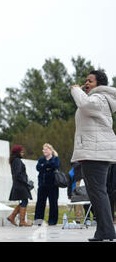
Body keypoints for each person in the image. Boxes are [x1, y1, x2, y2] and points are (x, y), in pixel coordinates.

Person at [70, 70, 116, 242]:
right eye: (85, 81)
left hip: (96, 153)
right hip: (93, 152)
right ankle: (104, 231)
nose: (86, 83)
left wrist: (76, 89)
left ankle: (107, 231)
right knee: (96, 192)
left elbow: (84, 104)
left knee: (98, 192)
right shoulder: (98, 98)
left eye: (90, 81)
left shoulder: (99, 98)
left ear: (99, 84)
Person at [34, 143, 60, 226]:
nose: (44, 151)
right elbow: (38, 168)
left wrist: (44, 166)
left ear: (50, 150)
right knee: (40, 203)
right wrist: (47, 166)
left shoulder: (55, 159)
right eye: (43, 149)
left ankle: (52, 221)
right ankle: (38, 221)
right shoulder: (41, 159)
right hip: (42, 184)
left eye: (46, 149)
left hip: (53, 185)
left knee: (53, 203)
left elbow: (55, 165)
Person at [7, 145, 33, 227]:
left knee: (24, 201)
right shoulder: (17, 161)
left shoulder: (15, 160)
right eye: (21, 151)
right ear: (17, 152)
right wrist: (26, 181)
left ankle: (13, 217)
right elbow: (18, 174)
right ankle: (21, 220)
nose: (23, 153)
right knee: (25, 201)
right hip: (20, 185)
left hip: (18, 184)